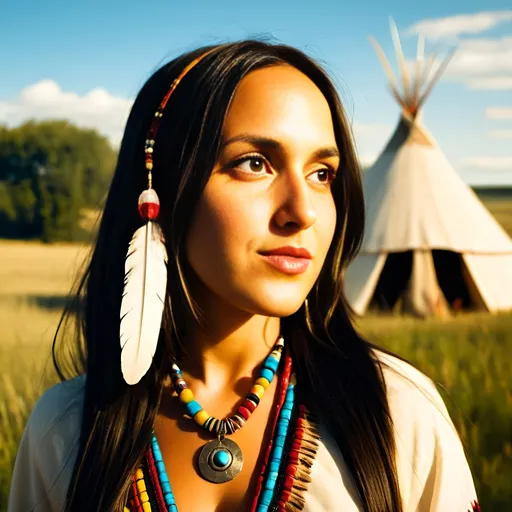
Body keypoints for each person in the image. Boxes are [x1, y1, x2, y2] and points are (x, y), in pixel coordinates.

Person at [8, 41, 479, 512]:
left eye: (322, 173)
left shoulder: (399, 415)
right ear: (160, 190)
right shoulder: (66, 431)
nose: (303, 211)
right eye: (254, 163)